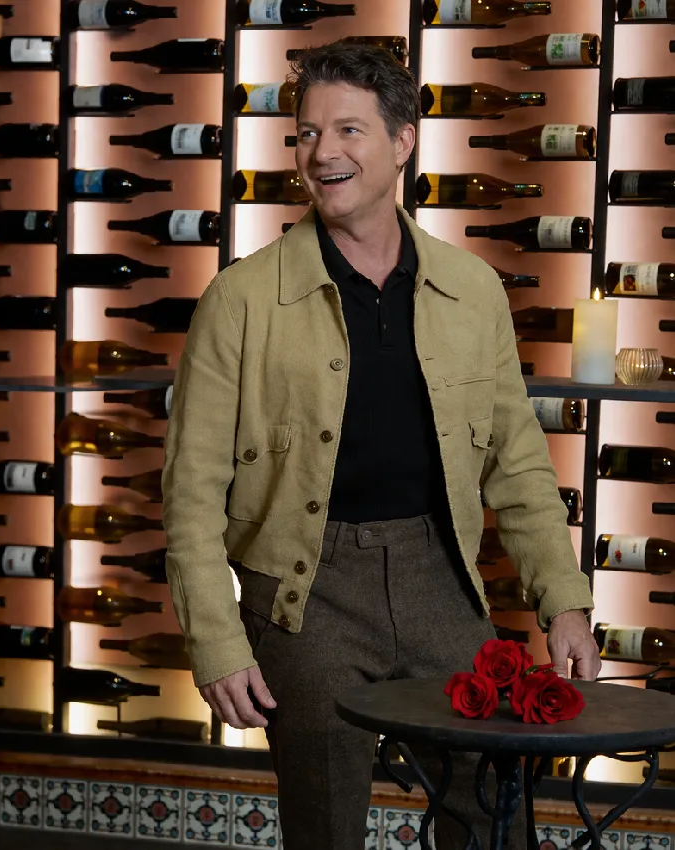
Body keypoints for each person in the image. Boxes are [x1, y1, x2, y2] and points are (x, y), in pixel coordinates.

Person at [162, 41, 601, 850]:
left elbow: (517, 462)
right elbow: (190, 493)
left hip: (441, 580)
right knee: (327, 823)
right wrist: (218, 644)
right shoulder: (239, 299)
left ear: (403, 142)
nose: (321, 151)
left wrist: (563, 601)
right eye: (307, 133)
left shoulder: (473, 289)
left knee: (494, 808)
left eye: (348, 130)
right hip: (305, 596)